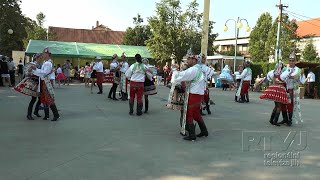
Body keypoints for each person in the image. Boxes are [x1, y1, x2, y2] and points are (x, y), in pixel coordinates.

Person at [171, 53, 208, 141]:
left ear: (194, 60)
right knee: (196, 114)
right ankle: (204, 131)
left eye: (189, 59)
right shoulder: (200, 69)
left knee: (188, 113)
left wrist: (175, 71)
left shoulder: (194, 69)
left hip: (194, 94)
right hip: (199, 94)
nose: (187, 61)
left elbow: (182, 75)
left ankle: (192, 135)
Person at [31, 47, 60, 121]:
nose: (43, 55)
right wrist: (35, 70)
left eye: (44, 53)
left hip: (47, 82)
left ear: (47, 54)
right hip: (46, 81)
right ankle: (50, 114)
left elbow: (45, 73)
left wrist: (35, 69)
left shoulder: (47, 63)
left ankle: (56, 114)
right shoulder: (47, 62)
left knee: (48, 98)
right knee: (46, 98)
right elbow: (43, 72)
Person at [260, 61, 289, 126]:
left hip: (274, 88)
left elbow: (269, 79)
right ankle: (275, 121)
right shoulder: (283, 73)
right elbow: (286, 81)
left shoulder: (273, 72)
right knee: (279, 106)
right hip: (280, 89)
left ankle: (271, 119)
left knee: (276, 105)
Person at [14, 53, 42, 120]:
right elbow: (27, 73)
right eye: (40, 57)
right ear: (37, 58)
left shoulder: (41, 64)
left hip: (40, 83)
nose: (41, 58)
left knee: (40, 99)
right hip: (33, 83)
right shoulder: (32, 64)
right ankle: (29, 114)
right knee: (33, 99)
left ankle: (36, 111)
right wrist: (30, 71)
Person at [279, 53, 303, 126]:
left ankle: (290, 120)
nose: (291, 62)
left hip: (291, 89)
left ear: (295, 61)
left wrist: (297, 77)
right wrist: (288, 73)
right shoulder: (285, 69)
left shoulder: (298, 70)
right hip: (284, 88)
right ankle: (285, 119)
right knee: (282, 104)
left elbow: (301, 81)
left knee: (289, 104)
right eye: (290, 60)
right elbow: (281, 77)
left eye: (293, 60)